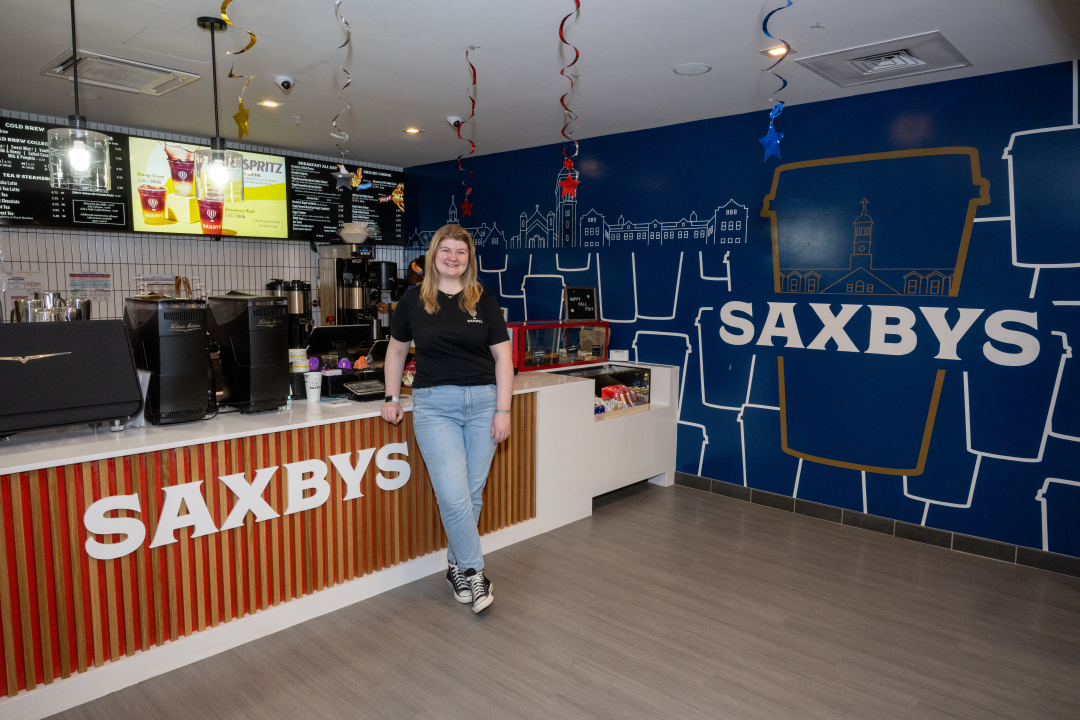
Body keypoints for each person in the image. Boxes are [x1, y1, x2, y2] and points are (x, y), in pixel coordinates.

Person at [381, 224, 512, 613]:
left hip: (484, 403)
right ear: (433, 255)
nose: (453, 258)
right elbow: (395, 352)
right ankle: (474, 572)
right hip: (435, 405)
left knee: (471, 495)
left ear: (469, 259)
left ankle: (455, 565)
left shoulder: (482, 298)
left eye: (461, 252)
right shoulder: (412, 301)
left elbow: (504, 358)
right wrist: (390, 396)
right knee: (454, 498)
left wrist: (503, 409)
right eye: (446, 251)